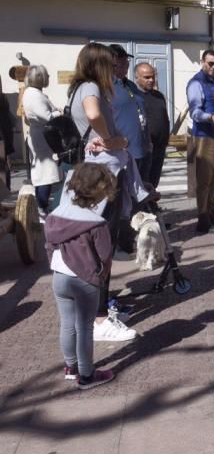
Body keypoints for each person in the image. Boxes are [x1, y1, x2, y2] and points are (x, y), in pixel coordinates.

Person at [68, 42, 151, 342]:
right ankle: (100, 318)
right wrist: (112, 139)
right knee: (103, 245)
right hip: (104, 175)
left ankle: (99, 309)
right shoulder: (90, 86)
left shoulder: (81, 86)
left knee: (102, 245)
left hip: (101, 173)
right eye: (108, 63)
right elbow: (92, 114)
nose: (113, 68)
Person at [44, 162, 117, 389]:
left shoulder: (56, 215)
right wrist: (103, 272)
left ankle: (70, 367)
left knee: (67, 323)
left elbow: (49, 244)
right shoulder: (96, 223)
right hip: (84, 278)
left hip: (59, 275)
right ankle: (87, 375)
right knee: (85, 327)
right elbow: (104, 253)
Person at [186, 49, 214, 233]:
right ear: (202, 61)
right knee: (204, 179)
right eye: (210, 63)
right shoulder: (196, 82)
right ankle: (202, 216)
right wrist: (210, 117)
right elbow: (194, 111)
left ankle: (211, 211)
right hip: (203, 135)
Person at [21, 64, 62, 216]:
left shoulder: (32, 93)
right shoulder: (34, 95)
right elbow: (47, 117)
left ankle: (41, 205)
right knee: (46, 173)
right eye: (47, 75)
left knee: (42, 172)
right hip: (41, 136)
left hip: (40, 135)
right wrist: (59, 112)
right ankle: (42, 206)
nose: (49, 78)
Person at [108, 44, 151, 182]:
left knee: (144, 188)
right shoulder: (106, 87)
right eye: (122, 61)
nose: (126, 64)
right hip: (124, 150)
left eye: (127, 60)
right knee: (128, 193)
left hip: (142, 147)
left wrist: (148, 139)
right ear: (112, 64)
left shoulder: (130, 85)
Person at [134, 63, 170, 189]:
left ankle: (152, 202)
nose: (151, 80)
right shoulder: (134, 97)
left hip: (160, 145)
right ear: (137, 77)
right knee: (143, 178)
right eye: (147, 77)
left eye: (153, 77)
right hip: (144, 146)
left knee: (155, 176)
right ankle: (143, 205)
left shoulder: (159, 96)